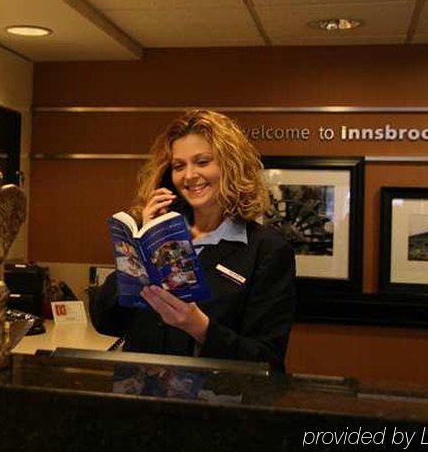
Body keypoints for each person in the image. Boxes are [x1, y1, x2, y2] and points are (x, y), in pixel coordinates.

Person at [90, 110, 296, 371]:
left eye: (202, 162)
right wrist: (137, 249)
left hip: (211, 404)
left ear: (229, 166)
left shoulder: (266, 249)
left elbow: (268, 361)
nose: (188, 176)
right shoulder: (159, 238)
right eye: (179, 166)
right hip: (140, 398)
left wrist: (200, 328)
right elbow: (105, 320)